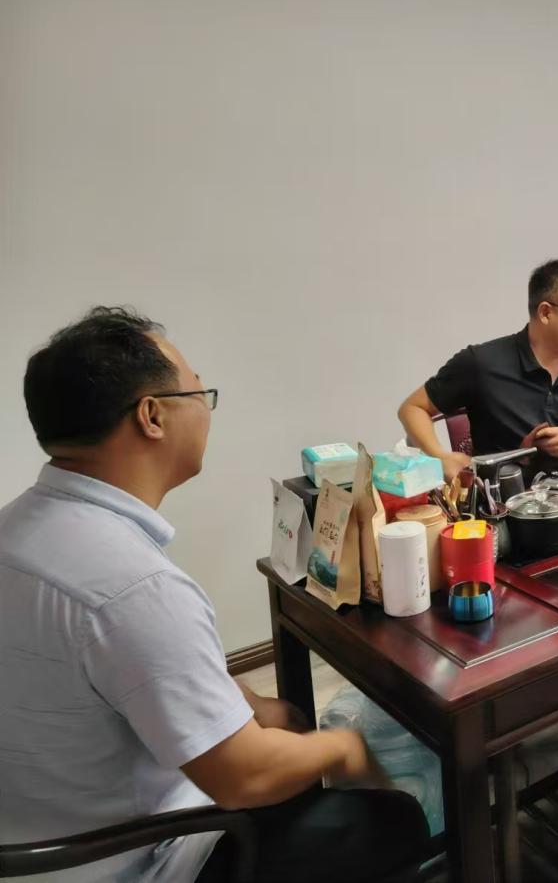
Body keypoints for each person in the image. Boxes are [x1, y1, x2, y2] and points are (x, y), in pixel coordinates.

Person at [0, 307, 428, 883]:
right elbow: (245, 778)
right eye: (198, 391)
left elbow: (135, 671)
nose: (206, 410)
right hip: (128, 860)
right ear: (152, 416)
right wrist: (344, 748)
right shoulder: (132, 587)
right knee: (394, 820)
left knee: (284, 719)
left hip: (36, 834)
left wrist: (252, 706)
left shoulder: (19, 530)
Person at [399, 258, 558, 481]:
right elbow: (412, 408)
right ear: (546, 312)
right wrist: (440, 458)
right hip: (503, 498)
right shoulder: (482, 363)